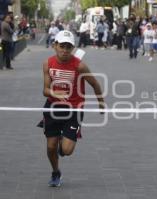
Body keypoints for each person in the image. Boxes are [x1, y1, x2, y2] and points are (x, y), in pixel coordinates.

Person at [41, 30, 105, 187]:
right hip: (53, 108)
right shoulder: (47, 63)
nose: (64, 50)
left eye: (68, 47)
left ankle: (63, 142)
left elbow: (95, 84)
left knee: (67, 150)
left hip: (74, 110)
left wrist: (101, 103)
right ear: (54, 46)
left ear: (72, 48)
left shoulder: (80, 66)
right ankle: (56, 172)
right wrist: (53, 92)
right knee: (50, 147)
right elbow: (45, 90)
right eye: (61, 46)